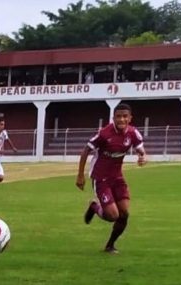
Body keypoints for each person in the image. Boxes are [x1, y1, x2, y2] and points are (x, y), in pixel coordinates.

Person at [76, 103, 147, 254]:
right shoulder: (104, 133)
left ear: (130, 118)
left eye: (125, 116)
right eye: (118, 116)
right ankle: (94, 207)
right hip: (101, 178)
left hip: (117, 177)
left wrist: (142, 156)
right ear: (113, 118)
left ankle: (110, 245)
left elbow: (140, 149)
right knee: (112, 216)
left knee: (124, 214)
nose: (121, 119)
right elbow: (86, 150)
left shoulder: (133, 133)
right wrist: (80, 175)